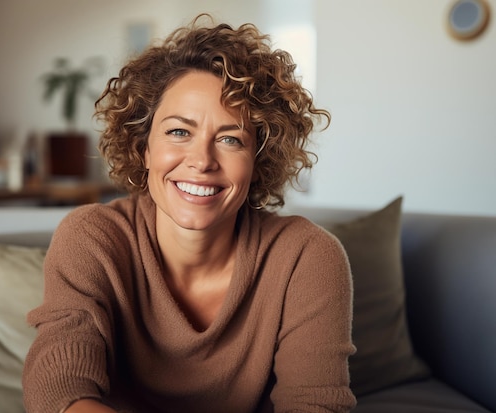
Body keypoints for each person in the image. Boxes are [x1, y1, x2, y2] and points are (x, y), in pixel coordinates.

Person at [23, 14, 357, 413]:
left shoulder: (307, 256)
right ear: (144, 148)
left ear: (257, 161)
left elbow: (315, 405)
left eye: (230, 139)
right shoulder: (91, 237)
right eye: (179, 132)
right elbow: (58, 389)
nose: (201, 161)